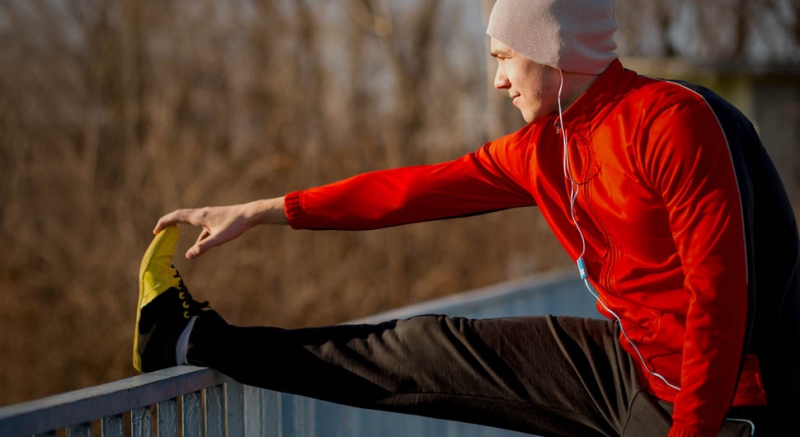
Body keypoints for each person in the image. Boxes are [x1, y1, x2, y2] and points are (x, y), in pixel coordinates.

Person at [132, 0, 800, 436]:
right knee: (423, 347)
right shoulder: (543, 149)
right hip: (634, 367)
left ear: (555, 50)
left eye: (504, 58)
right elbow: (409, 192)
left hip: (724, 406)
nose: (497, 81)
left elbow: (720, 306)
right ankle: (188, 339)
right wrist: (263, 211)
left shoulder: (671, 124)